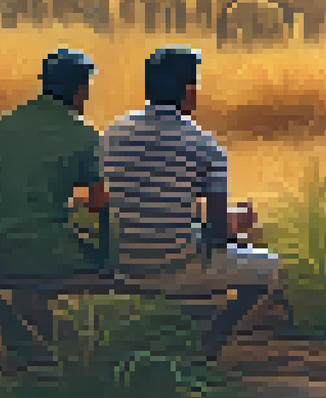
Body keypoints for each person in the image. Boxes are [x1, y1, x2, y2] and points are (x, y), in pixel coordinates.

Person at [102, 46, 277, 358]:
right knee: (268, 267)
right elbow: (217, 233)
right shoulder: (204, 146)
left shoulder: (112, 135)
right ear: (189, 92)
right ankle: (209, 346)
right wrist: (238, 221)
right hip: (174, 267)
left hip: (122, 262)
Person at [0, 48, 108, 371]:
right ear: (80, 90)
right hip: (36, 252)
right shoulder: (83, 134)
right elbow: (99, 201)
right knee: (61, 248)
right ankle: (37, 358)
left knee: (31, 232)